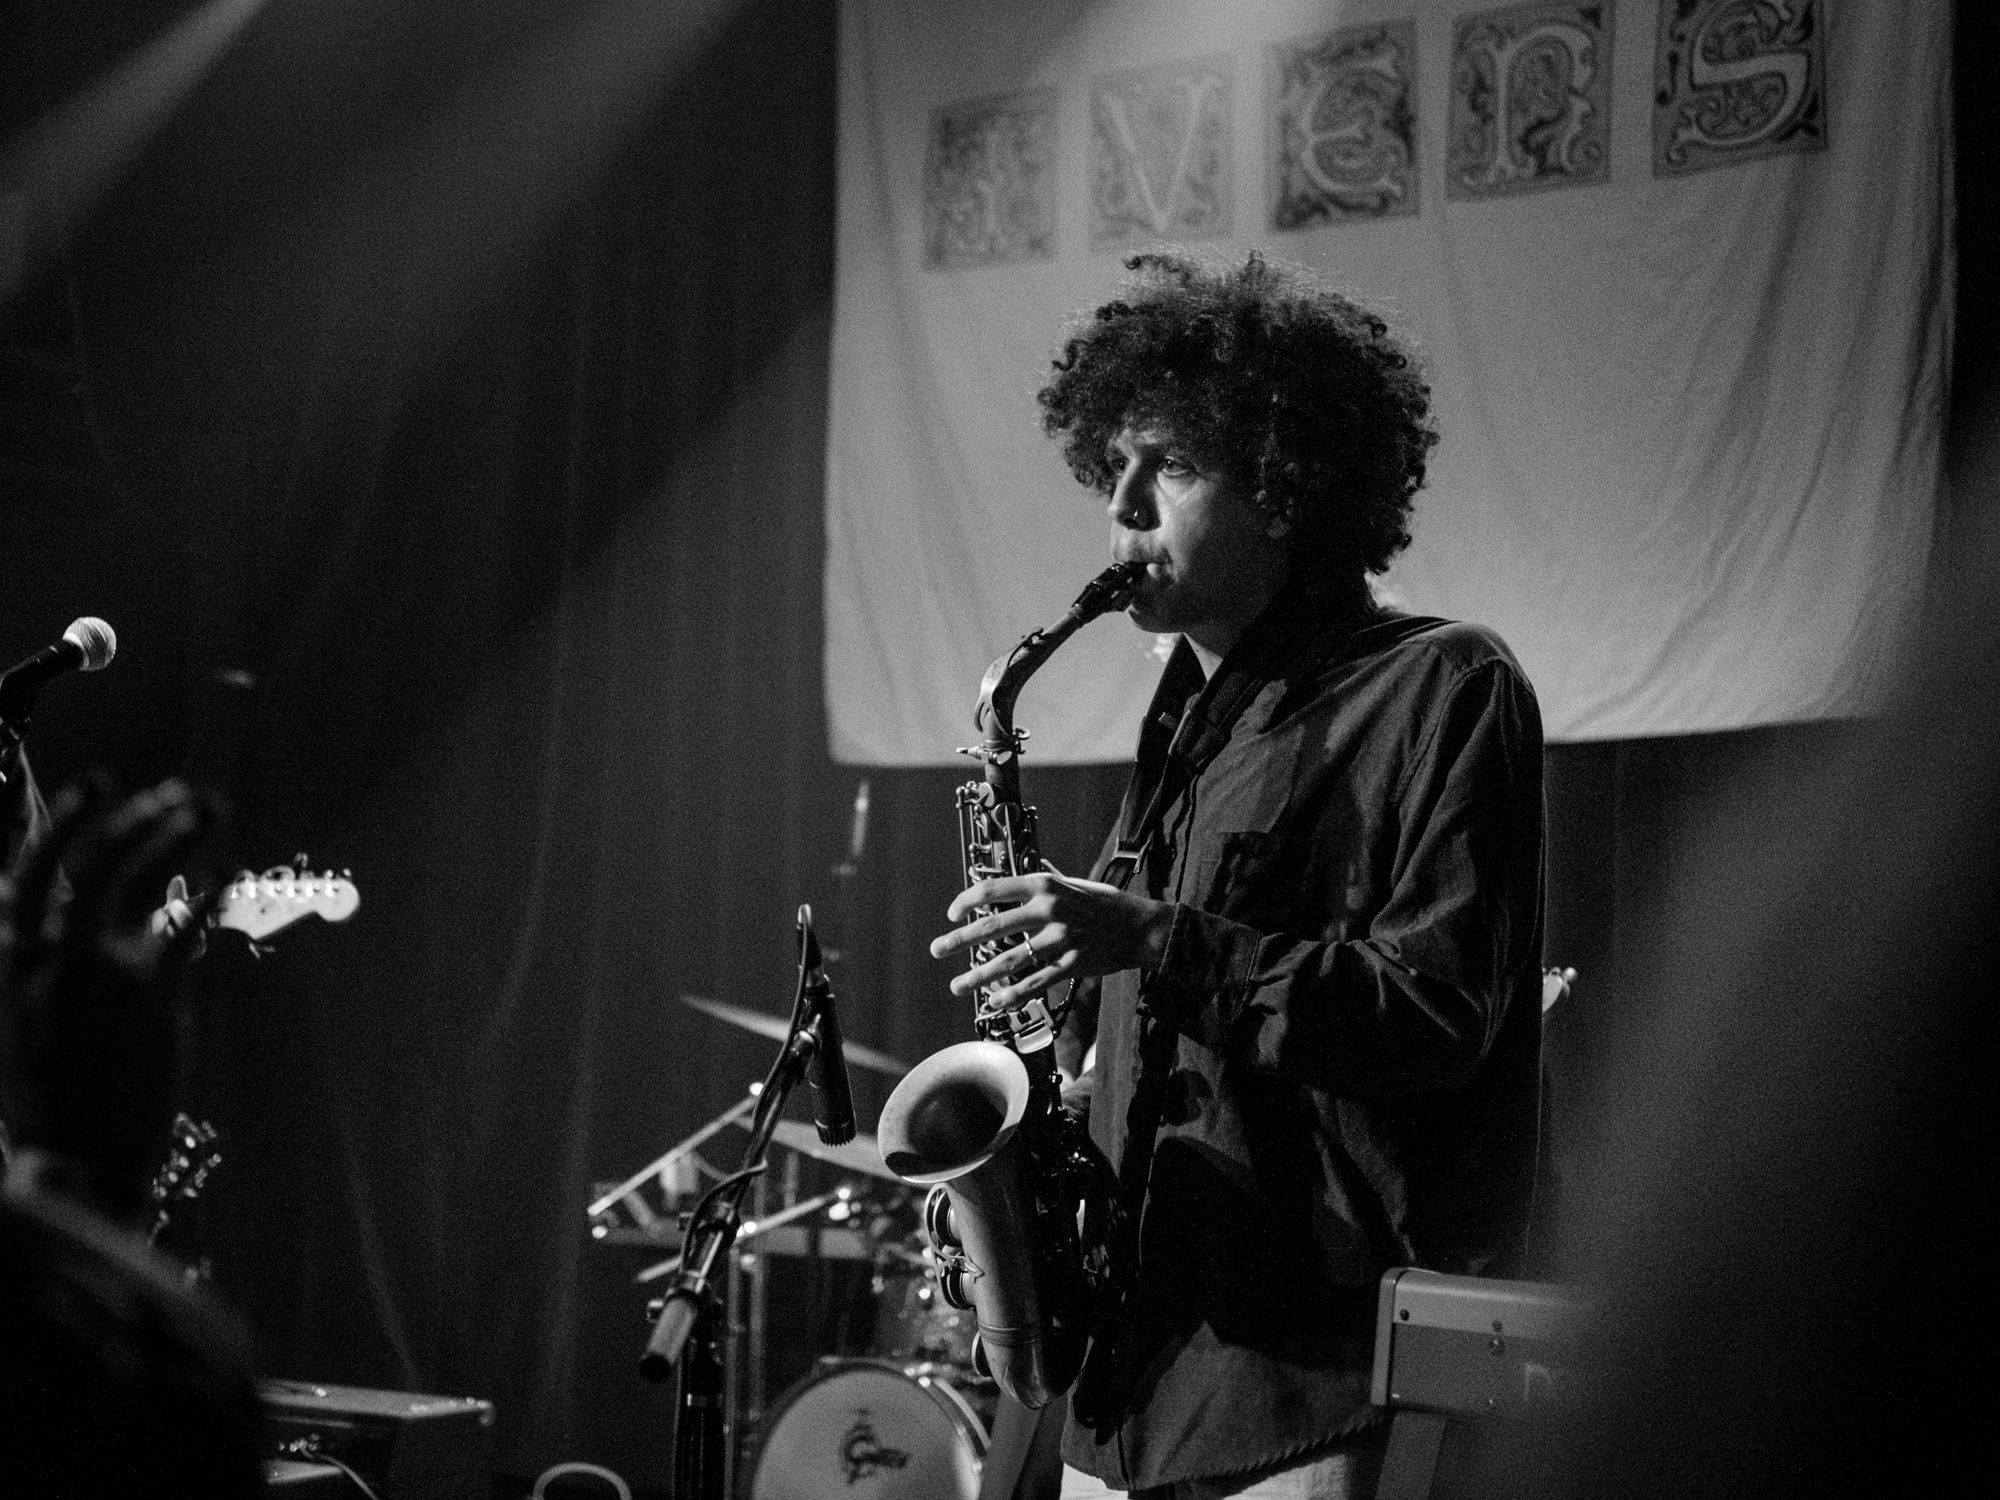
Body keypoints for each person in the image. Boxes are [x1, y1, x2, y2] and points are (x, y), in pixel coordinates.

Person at [928, 251, 1545, 1499]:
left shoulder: (1443, 686)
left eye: (1169, 466)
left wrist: (1156, 940)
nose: (1123, 506)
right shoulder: (1181, 731)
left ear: (1281, 485)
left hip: (1302, 1395)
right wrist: (1025, 1175)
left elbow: (1434, 1019)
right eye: (1114, 467)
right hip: (1129, 1384)